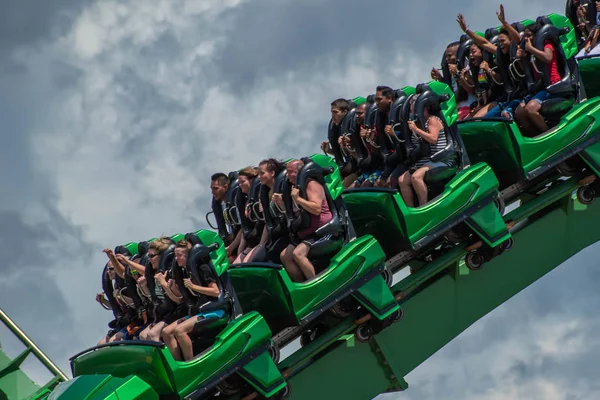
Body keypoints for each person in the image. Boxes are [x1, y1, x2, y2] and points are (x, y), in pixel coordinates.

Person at [497, 5, 562, 136]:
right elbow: (517, 40)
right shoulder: (529, 51)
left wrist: (531, 49)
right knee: (519, 112)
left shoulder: (545, 45)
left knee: (531, 109)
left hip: (553, 85)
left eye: (529, 36)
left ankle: (550, 134)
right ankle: (535, 135)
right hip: (540, 88)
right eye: (525, 36)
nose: (526, 39)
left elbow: (548, 58)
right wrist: (504, 24)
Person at [161, 239, 221, 361]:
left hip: (214, 309)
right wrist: (169, 286)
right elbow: (181, 299)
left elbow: (216, 292)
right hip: (198, 311)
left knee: (180, 330)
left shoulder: (202, 268)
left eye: (179, 255)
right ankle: (178, 364)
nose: (176, 258)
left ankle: (191, 362)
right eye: (175, 255)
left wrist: (193, 287)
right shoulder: (184, 272)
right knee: (166, 332)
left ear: (188, 256)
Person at [278, 160, 333, 282]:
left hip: (322, 230)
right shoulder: (295, 188)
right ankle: (302, 284)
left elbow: (316, 209)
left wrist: (298, 199)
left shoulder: (311, 184)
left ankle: (316, 284)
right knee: (285, 256)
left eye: (290, 172)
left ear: (299, 172)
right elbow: (295, 212)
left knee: (298, 254)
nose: (287, 175)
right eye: (286, 172)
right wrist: (281, 204)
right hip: (306, 232)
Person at [398, 100, 453, 207]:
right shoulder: (418, 124)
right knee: (402, 180)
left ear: (423, 109)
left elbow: (433, 139)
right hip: (426, 161)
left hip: (441, 159)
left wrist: (416, 130)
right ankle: (411, 209)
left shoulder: (432, 120)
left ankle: (424, 206)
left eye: (413, 111)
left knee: (416, 177)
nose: (412, 113)